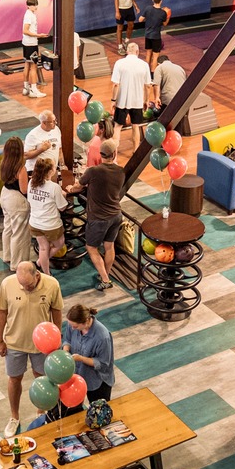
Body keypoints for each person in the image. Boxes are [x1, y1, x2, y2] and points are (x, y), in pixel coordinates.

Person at [0, 261, 64, 438]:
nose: (26, 288)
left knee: (42, 378)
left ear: (37, 275)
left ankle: (41, 413)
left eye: (29, 285)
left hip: (42, 345)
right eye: (22, 285)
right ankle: (14, 417)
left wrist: (56, 337)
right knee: (14, 379)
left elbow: (56, 311)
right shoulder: (7, 284)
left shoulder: (52, 284)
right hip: (14, 343)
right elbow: (2, 312)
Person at [68, 140, 125, 291]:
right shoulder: (121, 171)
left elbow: (78, 186)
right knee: (109, 246)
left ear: (100, 154)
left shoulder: (93, 171)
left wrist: (70, 188)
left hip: (99, 218)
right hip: (116, 215)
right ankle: (105, 274)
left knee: (91, 247)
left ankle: (105, 280)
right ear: (114, 154)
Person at [61, 304, 115, 406]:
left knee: (98, 410)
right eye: (70, 325)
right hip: (77, 374)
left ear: (86, 322)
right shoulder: (72, 324)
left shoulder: (102, 337)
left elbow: (103, 363)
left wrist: (81, 358)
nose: (72, 328)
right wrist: (66, 350)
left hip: (97, 381)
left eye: (75, 326)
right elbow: (67, 340)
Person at [27, 158, 68, 275]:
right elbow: (62, 207)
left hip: (35, 222)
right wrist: (63, 195)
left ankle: (45, 272)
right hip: (51, 224)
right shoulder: (54, 187)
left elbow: (30, 200)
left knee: (43, 248)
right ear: (50, 171)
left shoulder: (31, 182)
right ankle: (40, 263)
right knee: (59, 243)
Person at [110, 43, 153, 150]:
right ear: (137, 52)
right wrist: (146, 100)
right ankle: (135, 151)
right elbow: (148, 86)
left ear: (127, 51)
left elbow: (115, 84)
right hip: (137, 102)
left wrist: (113, 100)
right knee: (135, 126)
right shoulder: (144, 65)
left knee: (117, 126)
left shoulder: (119, 63)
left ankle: (114, 152)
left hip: (122, 102)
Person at [0, 137, 32, 272]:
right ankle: (18, 263)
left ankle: (7, 256)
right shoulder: (21, 168)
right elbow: (24, 190)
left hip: (5, 195)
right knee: (20, 232)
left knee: (8, 227)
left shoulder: (4, 163)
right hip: (17, 201)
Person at [21, 0, 49, 98]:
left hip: (26, 43)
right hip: (31, 44)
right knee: (33, 66)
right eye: (33, 5)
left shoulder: (29, 14)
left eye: (36, 5)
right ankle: (33, 90)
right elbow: (25, 31)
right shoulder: (30, 16)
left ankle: (26, 88)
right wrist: (39, 35)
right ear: (28, 6)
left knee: (27, 65)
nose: (35, 7)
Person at [137, 0, 171, 68]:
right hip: (156, 37)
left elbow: (140, 20)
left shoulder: (148, 8)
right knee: (156, 56)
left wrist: (147, 16)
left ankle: (147, 71)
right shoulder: (163, 13)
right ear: (161, 1)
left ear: (153, 0)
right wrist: (168, 15)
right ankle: (153, 73)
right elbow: (165, 24)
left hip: (147, 35)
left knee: (148, 54)